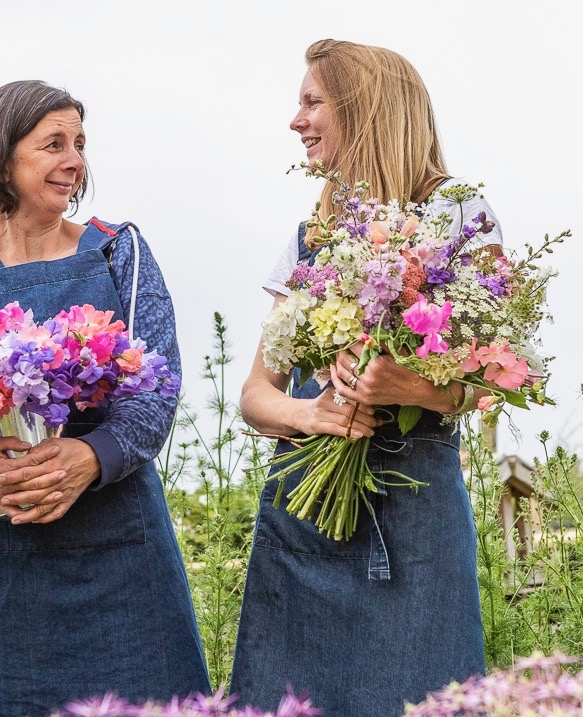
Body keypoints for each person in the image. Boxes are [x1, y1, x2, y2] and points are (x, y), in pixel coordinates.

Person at [0, 80, 210, 716]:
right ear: (0, 156)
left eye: (79, 144)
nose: (74, 161)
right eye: (53, 144)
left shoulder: (118, 251)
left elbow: (157, 388)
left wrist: (89, 458)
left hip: (121, 558)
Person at [229, 40, 502, 717]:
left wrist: (409, 388)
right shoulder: (309, 235)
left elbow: (496, 374)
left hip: (413, 523)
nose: (296, 121)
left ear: (365, 107)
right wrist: (311, 415)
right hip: (302, 519)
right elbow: (255, 397)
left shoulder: (460, 217)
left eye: (312, 102)